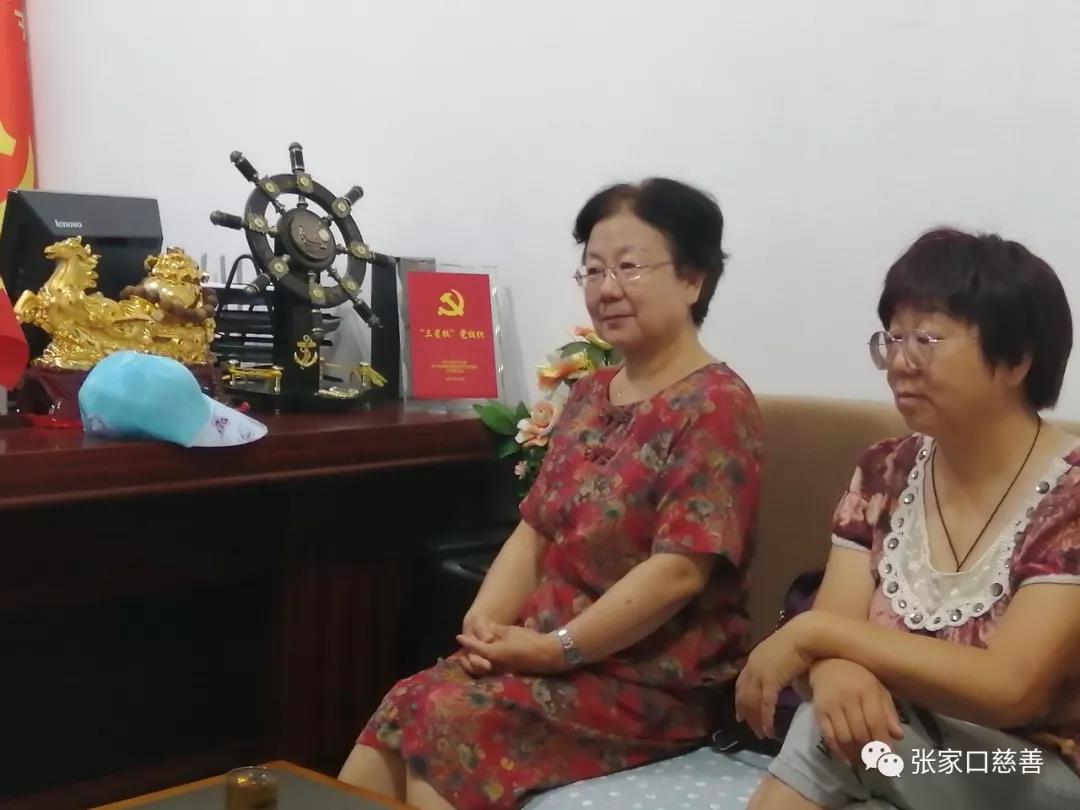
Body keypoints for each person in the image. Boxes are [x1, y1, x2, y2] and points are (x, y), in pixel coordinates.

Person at [338, 178, 764, 809]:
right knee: (408, 701)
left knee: (447, 719)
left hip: (652, 680)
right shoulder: (590, 393)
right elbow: (537, 527)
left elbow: (678, 573)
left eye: (630, 267)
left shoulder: (716, 406)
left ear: (692, 280)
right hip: (552, 655)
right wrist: (486, 621)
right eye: (593, 269)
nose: (607, 288)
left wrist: (555, 649)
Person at [737, 228, 1080, 809]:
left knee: (836, 742)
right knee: (848, 749)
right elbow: (837, 628)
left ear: (1017, 359)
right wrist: (834, 673)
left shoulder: (1069, 495)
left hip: (1030, 770)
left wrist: (817, 637)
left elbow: (1010, 688)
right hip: (906, 762)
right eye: (892, 339)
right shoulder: (885, 472)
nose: (899, 363)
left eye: (926, 339)